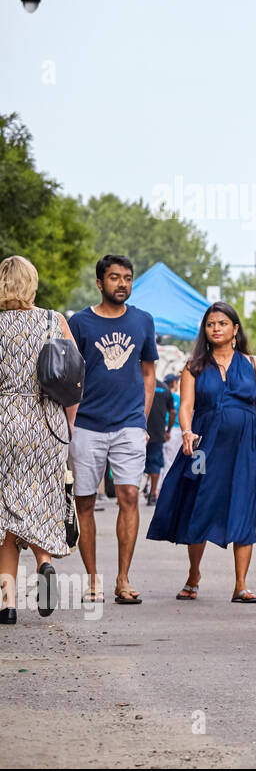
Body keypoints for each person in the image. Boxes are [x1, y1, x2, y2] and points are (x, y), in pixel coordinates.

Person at [147, 302, 256, 603]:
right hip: (203, 448)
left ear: (235, 329)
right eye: (210, 324)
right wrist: (186, 432)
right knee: (199, 504)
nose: (216, 328)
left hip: (245, 448)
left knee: (245, 507)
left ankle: (241, 585)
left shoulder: (254, 364)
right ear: (204, 331)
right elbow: (187, 407)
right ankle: (194, 575)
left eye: (222, 323)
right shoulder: (194, 366)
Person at [68, 254, 158, 605]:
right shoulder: (80, 323)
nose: (122, 283)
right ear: (99, 282)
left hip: (129, 425)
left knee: (130, 497)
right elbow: (67, 373)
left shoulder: (143, 321)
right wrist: (70, 420)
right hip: (87, 425)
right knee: (85, 502)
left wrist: (143, 418)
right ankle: (93, 579)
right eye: (115, 277)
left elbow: (149, 371)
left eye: (128, 278)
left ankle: (123, 578)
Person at [0, 256, 78, 624]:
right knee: (41, 502)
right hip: (47, 422)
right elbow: (75, 378)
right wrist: (67, 427)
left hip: (5, 423)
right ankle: (44, 563)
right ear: (31, 283)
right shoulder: (54, 321)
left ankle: (7, 604)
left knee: (5, 513)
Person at [144, 373, 175, 505]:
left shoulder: (141, 384)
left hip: (139, 429)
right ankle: (152, 494)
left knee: (133, 462)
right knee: (155, 464)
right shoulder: (164, 388)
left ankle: (126, 494)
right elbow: (173, 412)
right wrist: (168, 430)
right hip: (158, 432)